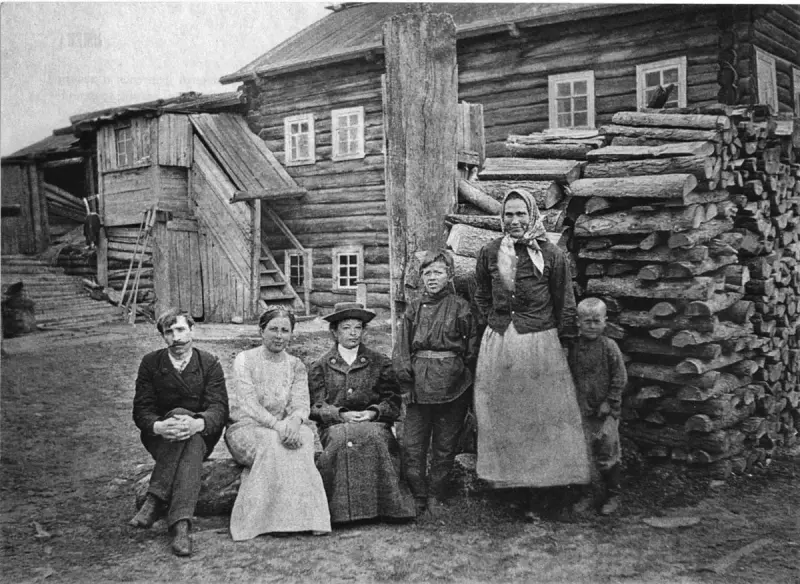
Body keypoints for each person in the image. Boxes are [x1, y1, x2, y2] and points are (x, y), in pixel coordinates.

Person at [472, 188, 590, 519]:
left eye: (521, 214)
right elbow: (480, 293)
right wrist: (493, 323)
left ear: (532, 215)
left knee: (540, 417)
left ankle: (545, 494)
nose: (514, 221)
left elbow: (564, 301)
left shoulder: (551, 255)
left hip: (539, 343)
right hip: (500, 344)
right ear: (501, 218)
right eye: (508, 214)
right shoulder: (489, 252)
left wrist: (562, 341)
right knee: (505, 416)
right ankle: (513, 491)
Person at [225, 307, 331, 540]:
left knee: (303, 438)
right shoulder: (245, 360)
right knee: (274, 444)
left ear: (292, 333)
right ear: (261, 331)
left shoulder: (296, 365)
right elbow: (248, 403)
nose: (279, 335)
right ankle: (263, 521)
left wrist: (294, 421)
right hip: (246, 427)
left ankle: (306, 519)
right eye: (273, 329)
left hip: (283, 427)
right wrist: (278, 425)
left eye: (285, 330)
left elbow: (302, 403)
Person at [131, 308, 229, 557]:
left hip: (201, 433)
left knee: (191, 434)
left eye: (181, 329)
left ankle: (155, 499)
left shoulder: (209, 363)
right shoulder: (151, 363)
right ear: (163, 336)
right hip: (161, 437)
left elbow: (219, 408)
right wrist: (159, 426)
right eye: (169, 332)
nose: (177, 337)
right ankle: (181, 525)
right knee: (178, 417)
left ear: (192, 330)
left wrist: (197, 423)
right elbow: (142, 409)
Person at [309, 302, 416, 524]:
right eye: (346, 328)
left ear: (364, 331)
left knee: (375, 437)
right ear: (334, 332)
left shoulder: (379, 362)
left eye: (358, 328)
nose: (352, 333)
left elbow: (392, 401)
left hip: (374, 422)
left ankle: (387, 509)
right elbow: (316, 406)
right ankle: (341, 514)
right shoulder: (320, 365)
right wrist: (340, 415)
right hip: (336, 425)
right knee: (340, 440)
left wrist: (373, 413)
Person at [394, 249, 478, 517]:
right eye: (427, 273)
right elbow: (402, 348)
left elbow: (472, 348)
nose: (432, 277)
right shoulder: (414, 308)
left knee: (445, 445)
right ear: (420, 278)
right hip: (419, 385)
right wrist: (406, 383)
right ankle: (417, 494)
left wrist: (461, 376)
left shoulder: (461, 307)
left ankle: (435, 495)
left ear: (449, 275)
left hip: (453, 387)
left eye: (438, 272)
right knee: (412, 444)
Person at [568, 298, 627, 516]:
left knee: (608, 452)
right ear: (578, 322)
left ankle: (613, 494)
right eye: (587, 321)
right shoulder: (574, 348)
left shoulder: (609, 347)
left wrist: (609, 402)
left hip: (605, 413)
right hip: (583, 411)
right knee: (584, 454)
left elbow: (620, 378)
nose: (592, 326)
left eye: (596, 321)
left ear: (605, 322)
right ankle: (589, 494)